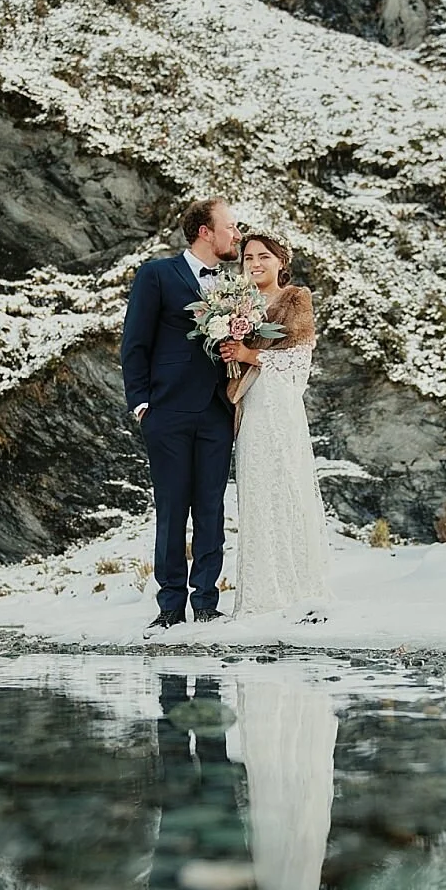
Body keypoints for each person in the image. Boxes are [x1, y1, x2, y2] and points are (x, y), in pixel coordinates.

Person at [120, 198, 241, 631]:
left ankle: (206, 603)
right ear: (205, 232)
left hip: (216, 411)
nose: (236, 234)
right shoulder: (157, 274)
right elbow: (134, 342)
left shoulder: (231, 284)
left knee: (211, 509)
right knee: (172, 510)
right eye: (230, 226)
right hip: (166, 411)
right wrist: (141, 404)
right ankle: (170, 606)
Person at [218, 232, 332, 618]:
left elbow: (298, 363)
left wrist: (249, 353)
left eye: (264, 256)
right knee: (257, 492)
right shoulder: (240, 305)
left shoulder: (295, 300)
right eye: (248, 257)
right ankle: (261, 594)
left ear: (281, 261)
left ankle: (296, 591)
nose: (255, 263)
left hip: (279, 408)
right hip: (251, 406)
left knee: (286, 486)